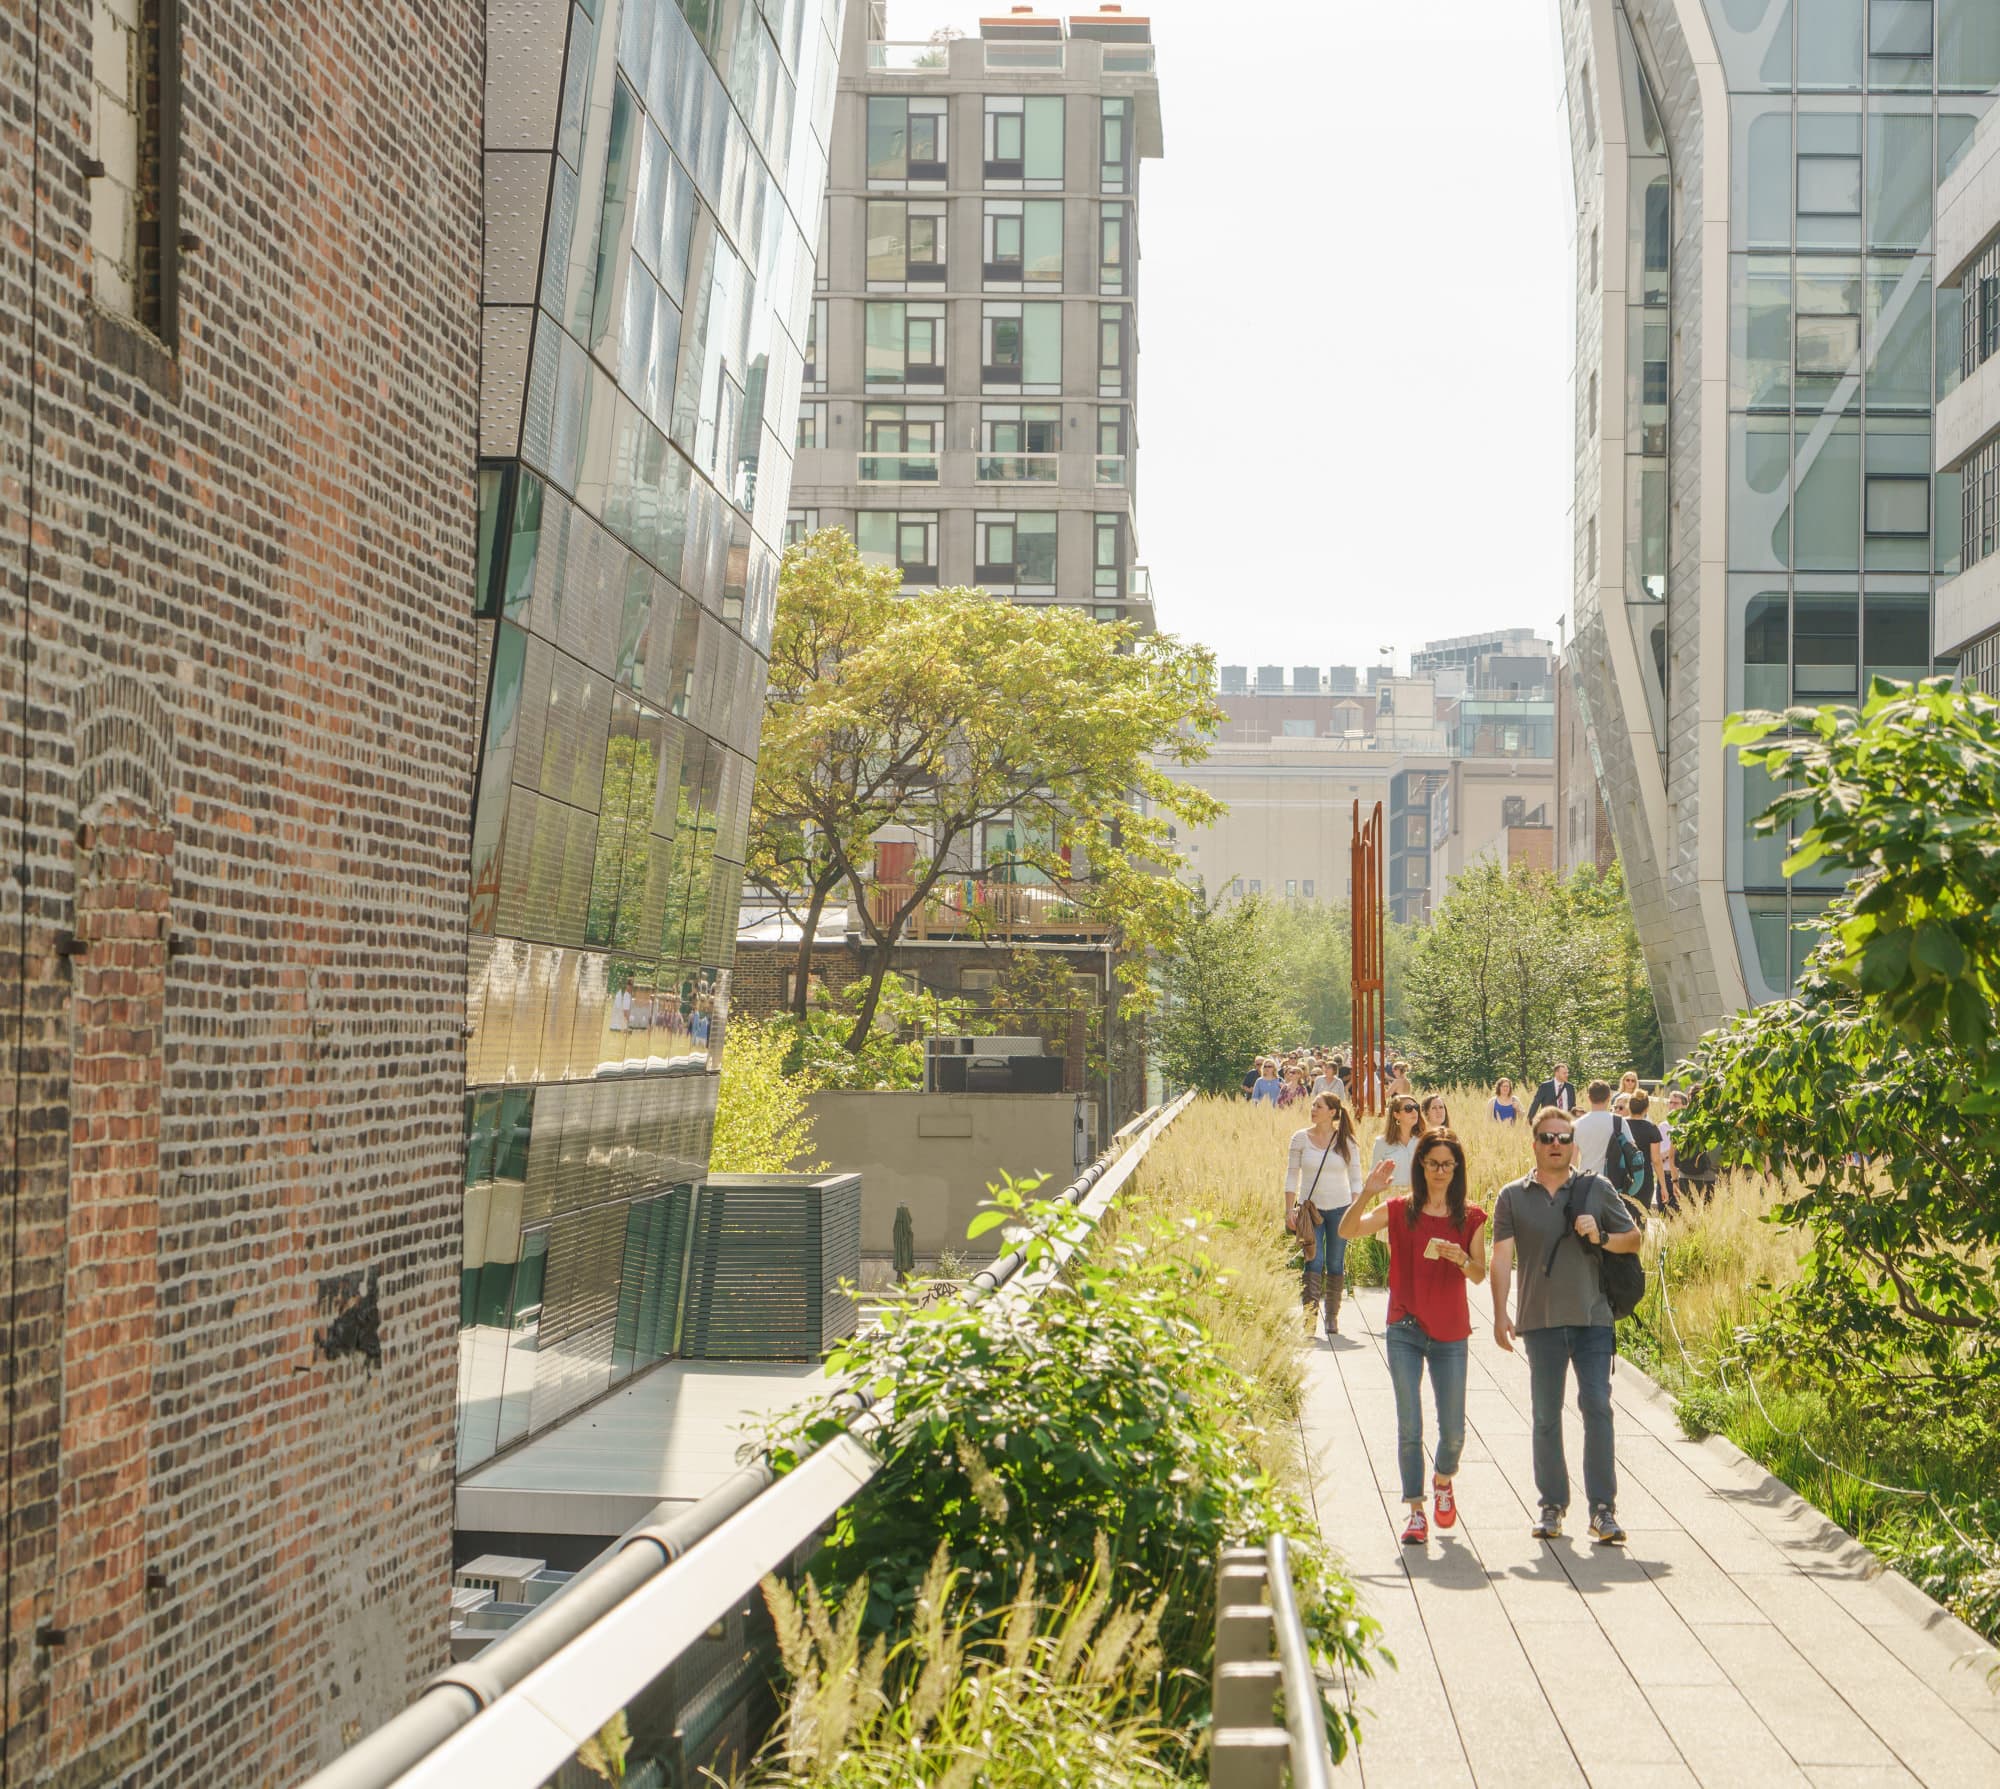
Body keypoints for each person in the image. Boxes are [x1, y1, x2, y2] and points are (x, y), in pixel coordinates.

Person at [1490, 1110, 1643, 1544]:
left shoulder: (1596, 1188)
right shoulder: (1512, 1196)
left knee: (1597, 1407)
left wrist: (1601, 1237)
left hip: (1593, 1319)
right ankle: (1551, 1506)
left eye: (1563, 1137)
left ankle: (1602, 1511)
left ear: (1573, 1143)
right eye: (1547, 1137)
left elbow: (1633, 1240)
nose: (1555, 1143)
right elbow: (1501, 1257)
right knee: (1544, 1415)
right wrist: (1500, 1313)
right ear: (1534, 1142)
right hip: (1539, 1321)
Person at [1340, 1128, 1487, 1545]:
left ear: (1456, 1169)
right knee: (1410, 1424)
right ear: (1420, 1165)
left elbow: (1479, 1273)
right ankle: (1416, 1511)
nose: (1440, 1171)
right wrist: (1367, 1191)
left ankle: (1443, 1479)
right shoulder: (1399, 1209)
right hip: (1404, 1326)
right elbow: (1348, 1232)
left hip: (1451, 1330)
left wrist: (1461, 1259)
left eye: (1447, 1164)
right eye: (1433, 1163)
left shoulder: (1471, 1216)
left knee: (1454, 1430)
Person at [1285, 1093, 1371, 1339]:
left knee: (1335, 1262)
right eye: (1313, 1105)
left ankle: (1332, 1316)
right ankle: (1310, 1318)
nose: (1313, 1109)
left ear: (1332, 1112)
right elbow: (1291, 1175)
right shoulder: (1300, 1138)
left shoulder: (1346, 1141)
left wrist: (1356, 1209)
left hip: (1340, 1210)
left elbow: (1356, 1178)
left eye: (1318, 1106)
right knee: (1314, 1260)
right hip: (1310, 1211)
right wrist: (1289, 1208)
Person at [1624, 1090, 1665, 1210]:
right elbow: (1656, 1160)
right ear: (1647, 1108)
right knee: (1641, 1216)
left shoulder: (1620, 1125)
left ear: (1629, 1106)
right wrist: (1663, 1186)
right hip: (1643, 1177)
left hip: (1623, 1175)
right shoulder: (1651, 1128)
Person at [1371, 1096, 1423, 1190]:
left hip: (1418, 1196)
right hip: (1391, 1197)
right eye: (1408, 1109)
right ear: (1396, 1115)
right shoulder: (1381, 1143)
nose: (1414, 1112)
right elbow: (1373, 1175)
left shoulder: (1423, 1141)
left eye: (1416, 1107)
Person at [1571, 1080, 1616, 1177]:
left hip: (1586, 1179)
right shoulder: (1619, 1122)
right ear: (1609, 1098)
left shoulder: (1576, 1124)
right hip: (1613, 1180)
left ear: (1589, 1098)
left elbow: (1572, 1160)